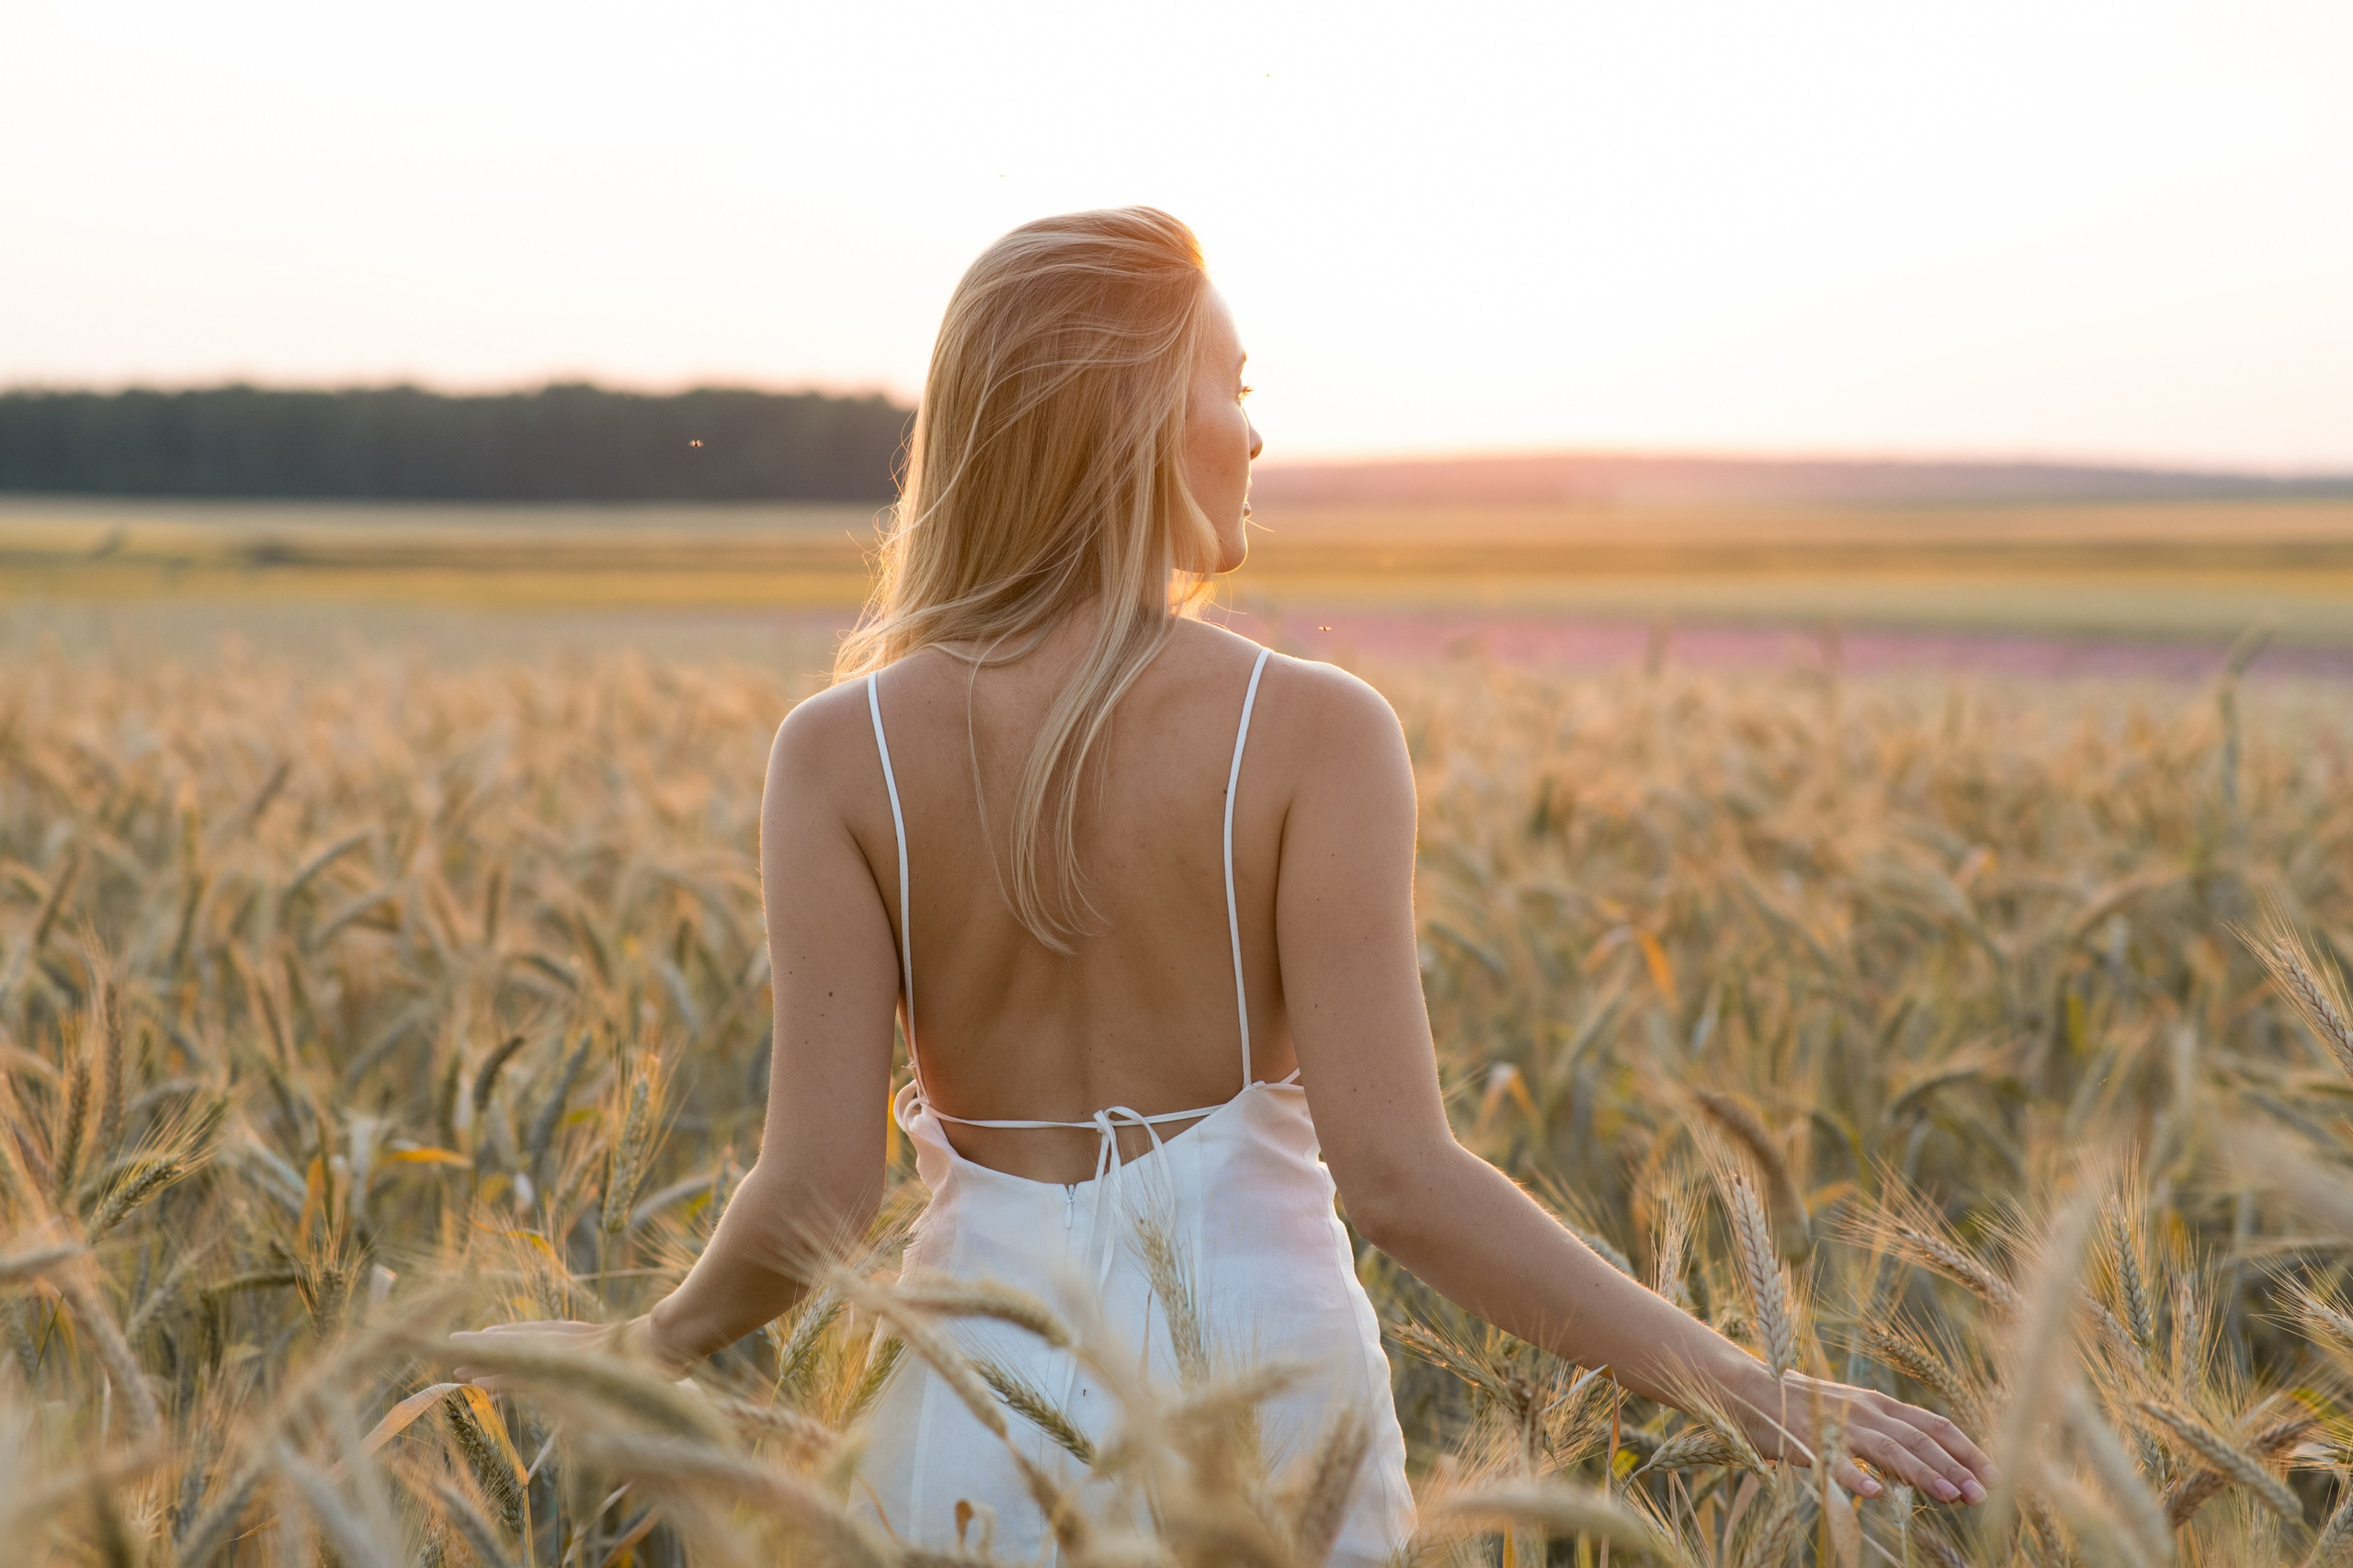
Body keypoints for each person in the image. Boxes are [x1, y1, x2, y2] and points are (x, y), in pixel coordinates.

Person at [453, 207, 1993, 1562]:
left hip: (977, 1424)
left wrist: (639, 1344)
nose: (1254, 437)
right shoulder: (1316, 734)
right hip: (1274, 1427)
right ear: (1131, 413)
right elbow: (1405, 1180)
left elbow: (817, 1192)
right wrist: (1743, 1384)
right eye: (1233, 387)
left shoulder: (839, 753)